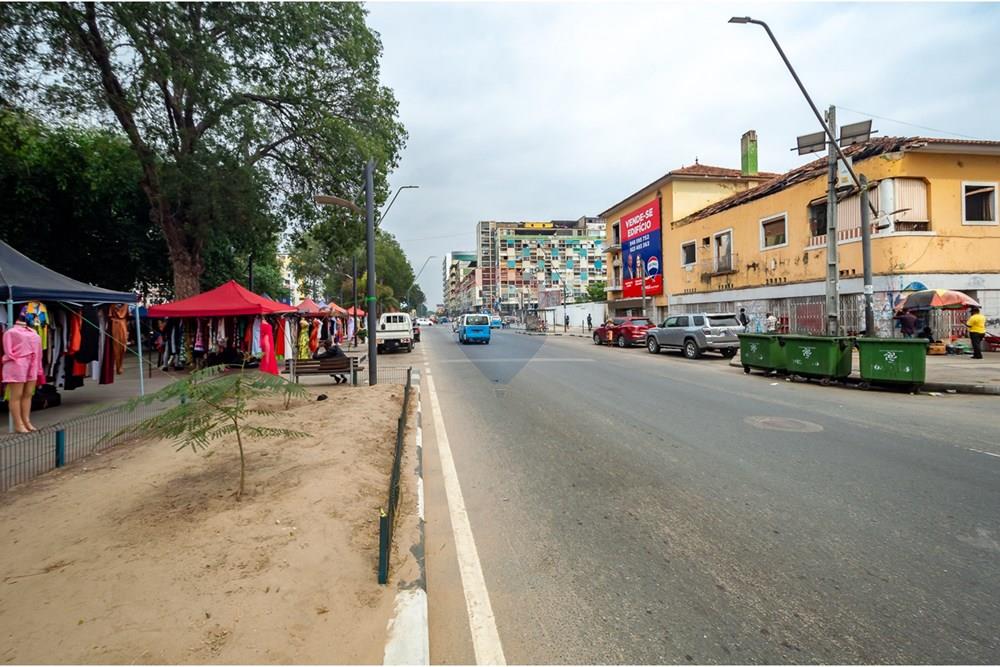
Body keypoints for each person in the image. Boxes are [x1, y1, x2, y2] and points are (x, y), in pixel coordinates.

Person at [2, 306, 46, 433]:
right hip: (17, 365)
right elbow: (8, 352)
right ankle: (18, 423)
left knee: (28, 394)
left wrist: (38, 368)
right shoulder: (10, 332)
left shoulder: (33, 332)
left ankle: (26, 421)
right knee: (16, 395)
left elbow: (39, 352)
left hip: (32, 365)